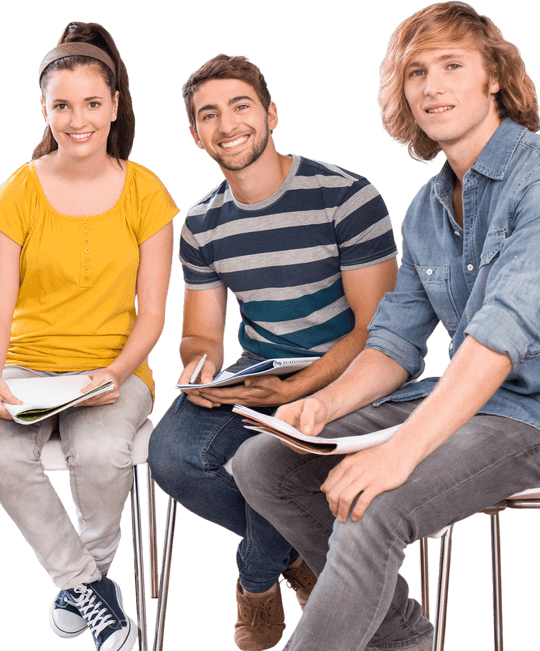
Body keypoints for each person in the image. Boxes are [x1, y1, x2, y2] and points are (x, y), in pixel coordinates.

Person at [230, 2, 540, 650]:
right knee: (264, 461)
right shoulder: (427, 206)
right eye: (416, 72)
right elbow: (396, 341)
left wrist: (400, 451)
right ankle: (401, 638)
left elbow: (499, 336)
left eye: (453, 65)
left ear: (495, 79)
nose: (432, 86)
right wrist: (321, 404)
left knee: (375, 502)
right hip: (457, 405)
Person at [145, 54, 399, 650]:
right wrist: (203, 371)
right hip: (259, 375)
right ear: (195, 133)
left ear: (271, 113)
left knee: (274, 462)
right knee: (172, 456)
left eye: (240, 106)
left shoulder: (347, 195)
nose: (227, 124)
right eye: (209, 114)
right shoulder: (202, 223)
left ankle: (257, 577)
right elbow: (202, 335)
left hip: (350, 375)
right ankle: (304, 556)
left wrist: (298, 388)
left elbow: (378, 329)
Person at [0, 21, 177, 651]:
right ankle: (91, 588)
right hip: (28, 368)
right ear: (44, 108)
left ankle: (81, 586)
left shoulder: (147, 192)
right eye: (62, 105)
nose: (77, 119)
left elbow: (152, 317)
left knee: (101, 452)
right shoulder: (16, 193)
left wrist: (112, 376)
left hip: (114, 370)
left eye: (92, 104)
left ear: (114, 107)